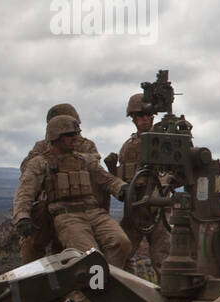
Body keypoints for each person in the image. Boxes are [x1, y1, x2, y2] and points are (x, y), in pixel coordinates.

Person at [13, 115, 131, 269]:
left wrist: (122, 188)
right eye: (69, 135)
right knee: (90, 255)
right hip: (67, 216)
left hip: (95, 213)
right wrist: (22, 217)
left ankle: (109, 282)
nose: (75, 138)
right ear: (56, 137)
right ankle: (90, 288)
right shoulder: (41, 163)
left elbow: (107, 179)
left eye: (76, 134)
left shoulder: (85, 160)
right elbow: (25, 192)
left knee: (121, 243)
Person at [18, 103, 104, 261]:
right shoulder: (41, 147)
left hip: (76, 209)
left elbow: (97, 175)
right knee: (32, 248)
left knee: (74, 254)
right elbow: (27, 173)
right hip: (47, 207)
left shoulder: (86, 146)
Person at [113, 93, 170, 278]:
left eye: (148, 115)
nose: (145, 119)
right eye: (140, 116)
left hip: (160, 209)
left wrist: (160, 190)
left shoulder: (165, 141)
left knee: (163, 260)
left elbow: (177, 173)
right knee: (119, 254)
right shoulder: (128, 147)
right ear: (133, 119)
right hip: (135, 209)